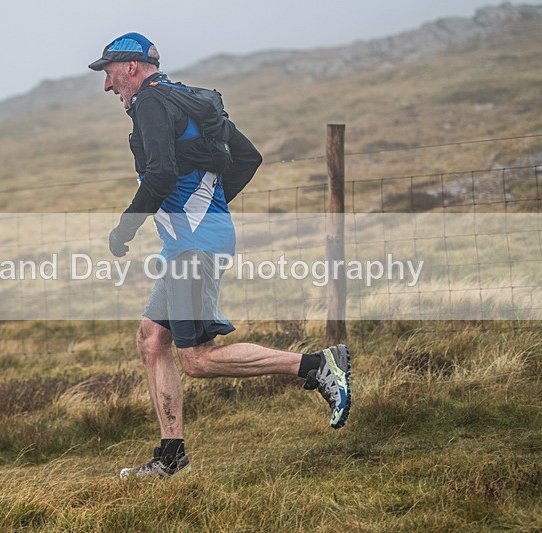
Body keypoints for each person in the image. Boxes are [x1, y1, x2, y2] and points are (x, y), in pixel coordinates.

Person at [88, 33, 351, 478]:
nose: (108, 86)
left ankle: (317, 366)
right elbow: (248, 157)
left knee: (199, 359)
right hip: (193, 241)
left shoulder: (152, 105)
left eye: (110, 73)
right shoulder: (193, 102)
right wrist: (211, 204)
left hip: (194, 246)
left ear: (131, 67)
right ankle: (171, 457)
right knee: (152, 341)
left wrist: (125, 228)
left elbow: (161, 171)